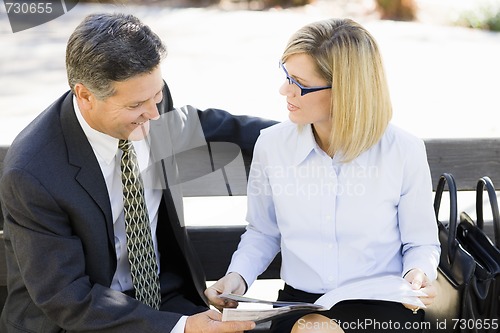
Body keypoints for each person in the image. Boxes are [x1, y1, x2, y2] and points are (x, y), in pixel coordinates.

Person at [0, 13, 277, 333]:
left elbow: (203, 124)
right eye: (136, 105)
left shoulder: (146, 99)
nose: (155, 114)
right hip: (77, 320)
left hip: (163, 299)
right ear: (85, 95)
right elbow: (68, 299)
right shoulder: (34, 172)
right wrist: (185, 327)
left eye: (157, 96)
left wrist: (304, 135)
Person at [206, 18, 441, 333]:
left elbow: (421, 242)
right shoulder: (272, 145)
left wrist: (418, 274)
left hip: (381, 304)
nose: (284, 90)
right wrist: (237, 278)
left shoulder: (404, 150)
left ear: (346, 90)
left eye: (299, 84)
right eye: (286, 75)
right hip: (299, 304)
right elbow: (263, 232)